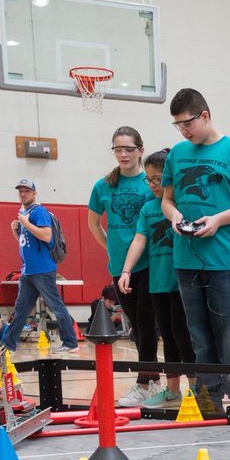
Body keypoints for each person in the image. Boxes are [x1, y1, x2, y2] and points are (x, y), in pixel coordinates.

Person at [161, 88, 230, 417]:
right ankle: (209, 404)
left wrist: (217, 219)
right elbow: (167, 199)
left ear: (204, 115)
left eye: (188, 123)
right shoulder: (177, 153)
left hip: (224, 259)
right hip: (185, 258)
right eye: (178, 125)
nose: (184, 130)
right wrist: (174, 216)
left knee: (228, 332)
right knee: (199, 336)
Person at [89, 126, 160, 407]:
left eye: (129, 148)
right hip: (121, 267)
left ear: (140, 150)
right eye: (118, 149)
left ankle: (144, 382)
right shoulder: (103, 186)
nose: (123, 154)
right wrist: (113, 248)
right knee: (136, 327)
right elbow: (93, 223)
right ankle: (152, 378)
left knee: (145, 322)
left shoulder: (150, 183)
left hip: (149, 263)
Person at [120, 148, 196, 408]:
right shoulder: (148, 209)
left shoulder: (182, 205)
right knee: (167, 335)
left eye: (157, 179)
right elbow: (139, 240)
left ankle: (196, 390)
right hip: (158, 284)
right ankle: (173, 391)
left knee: (184, 335)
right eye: (149, 179)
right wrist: (126, 270)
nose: (153, 184)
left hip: (181, 282)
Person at [0, 178, 79, 354]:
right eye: (20, 191)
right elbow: (25, 243)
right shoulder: (25, 212)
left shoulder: (39, 212)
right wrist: (16, 230)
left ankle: (71, 342)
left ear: (34, 193)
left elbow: (46, 236)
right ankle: (8, 345)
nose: (23, 194)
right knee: (21, 310)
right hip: (28, 271)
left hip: (42, 270)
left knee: (55, 306)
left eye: (26, 191)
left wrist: (25, 223)